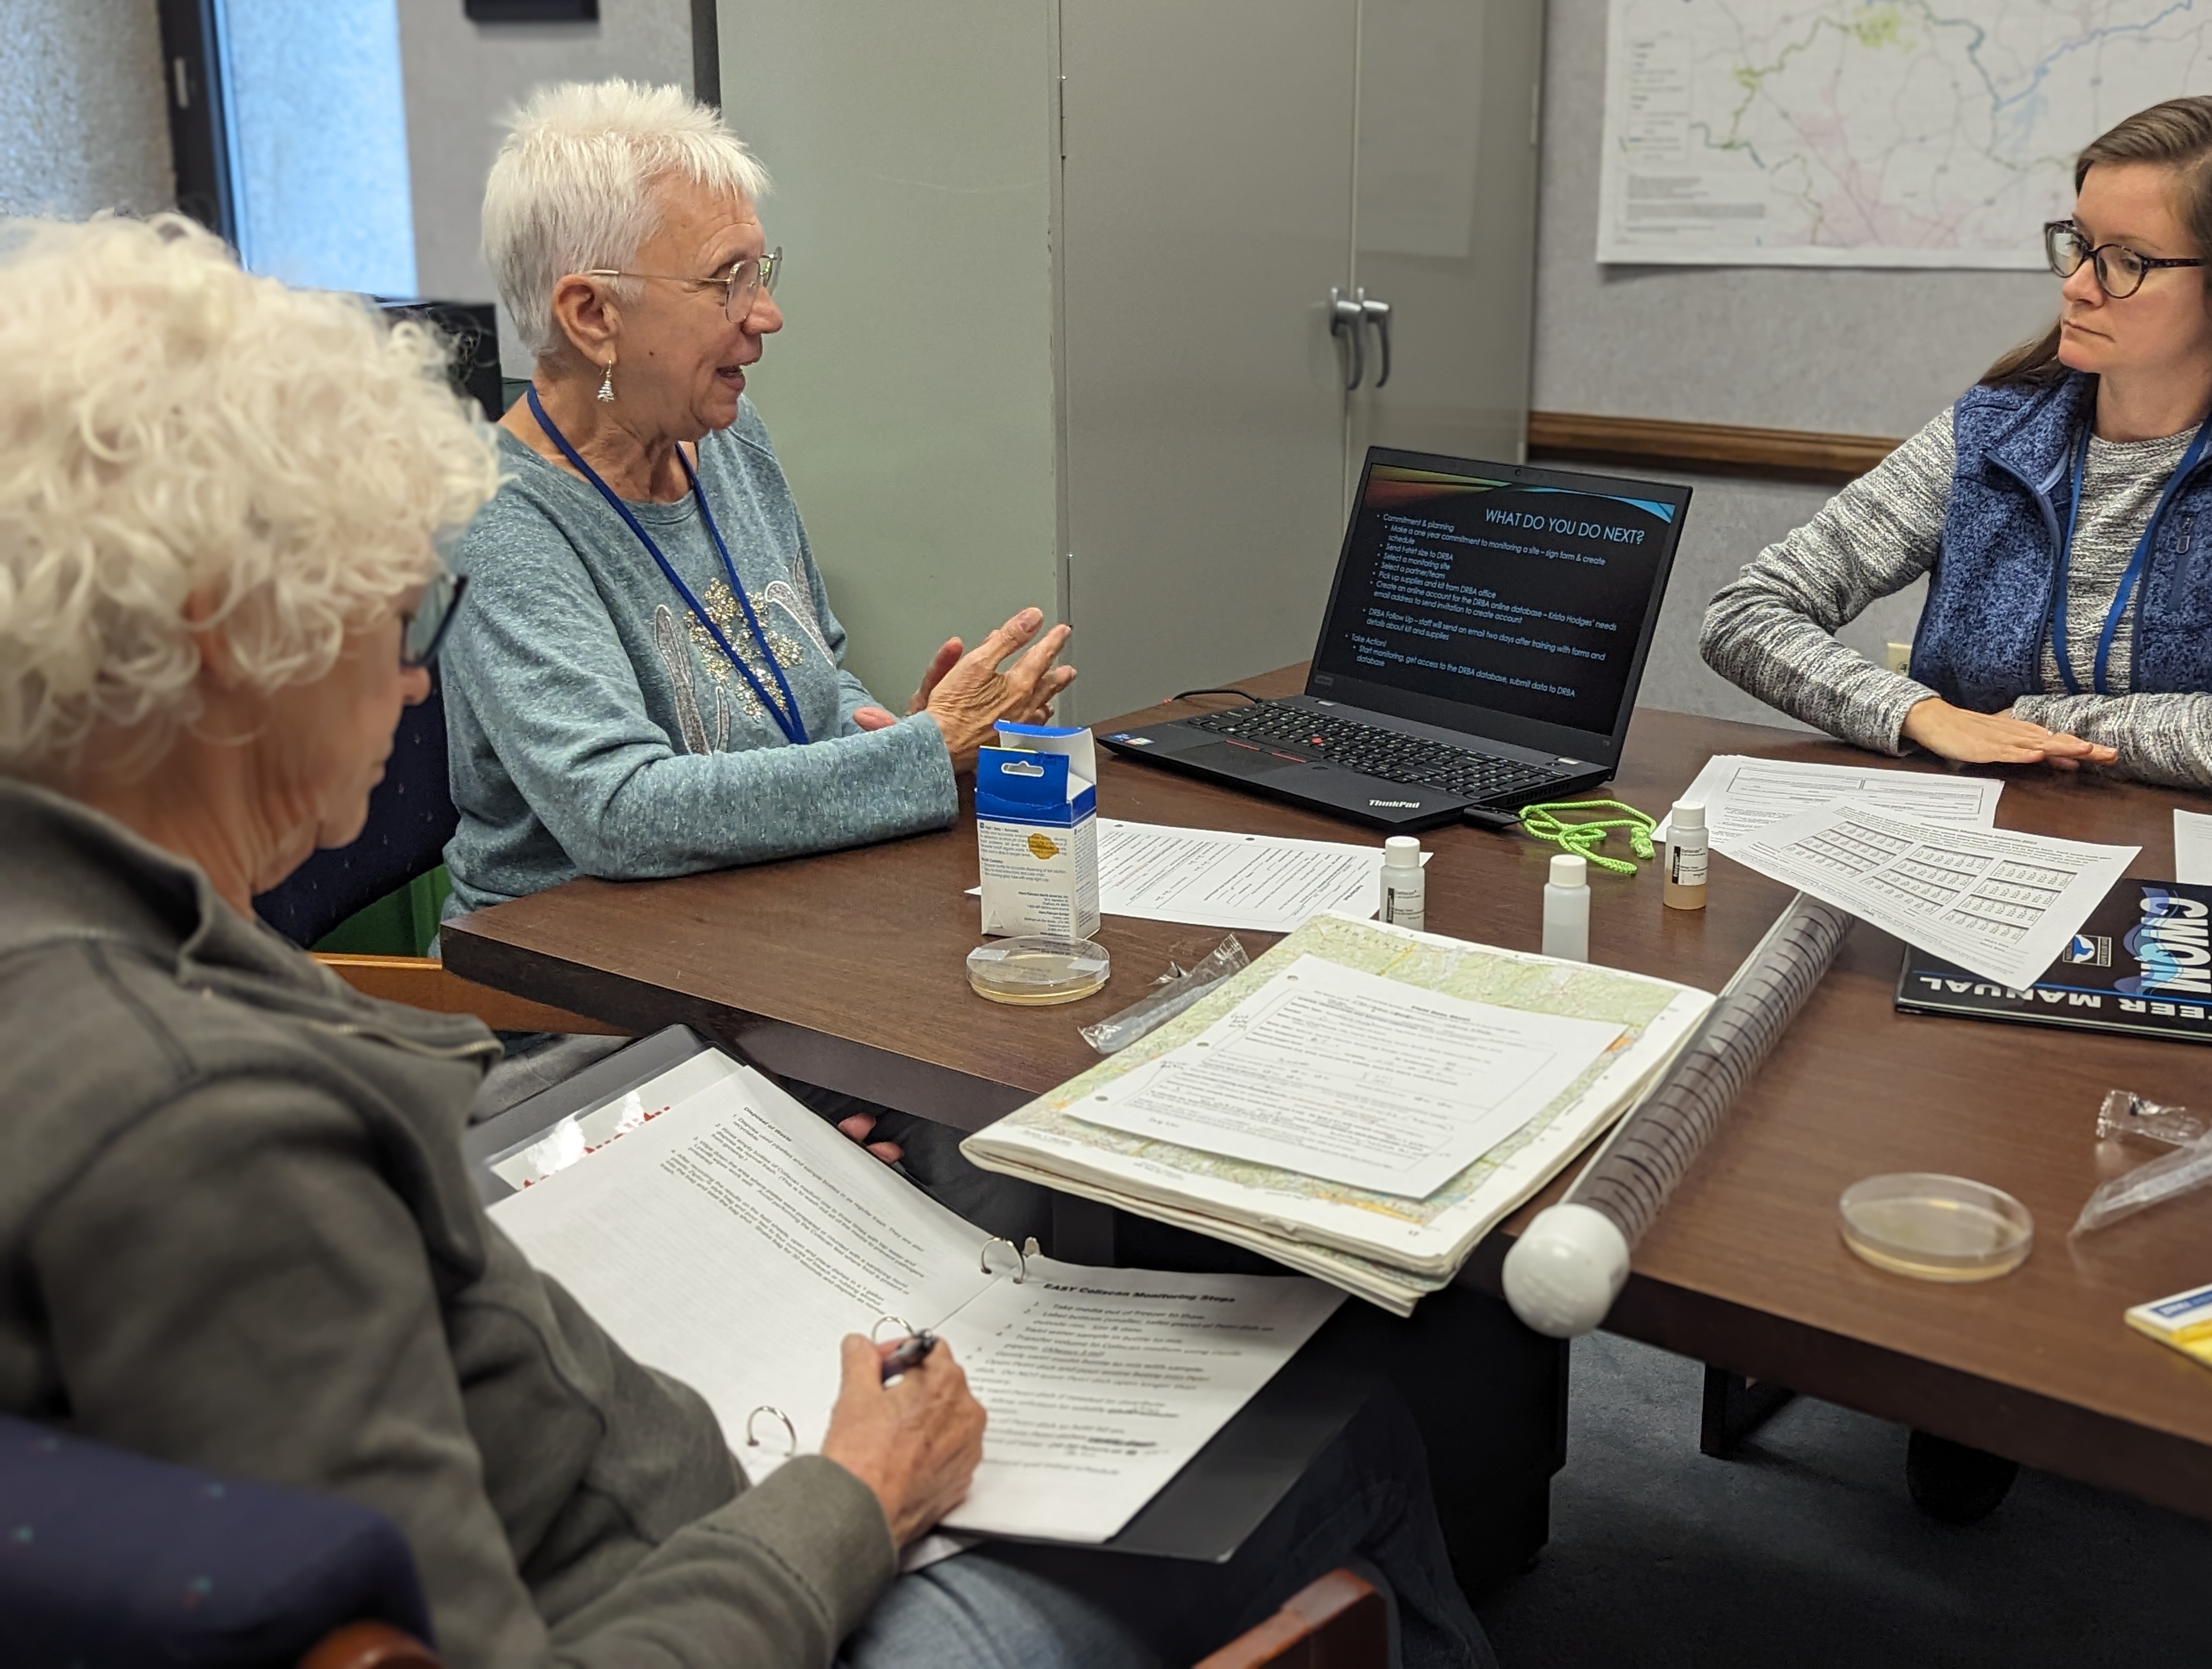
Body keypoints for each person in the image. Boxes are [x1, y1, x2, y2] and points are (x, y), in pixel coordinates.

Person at [0, 213, 1496, 1668]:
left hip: (650, 1444)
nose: (411, 692)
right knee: (1339, 1424)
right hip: (741, 1569)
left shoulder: (85, 948)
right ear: (221, 636)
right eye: (400, 620)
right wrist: (851, 1492)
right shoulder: (205, 1133)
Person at [442, 79, 1070, 1232]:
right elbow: (616, 809)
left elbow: (810, 672)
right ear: (591, 317)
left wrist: (882, 728)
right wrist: (918, 757)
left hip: (765, 965)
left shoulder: (720, 442)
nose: (764, 317)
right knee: (983, 1140)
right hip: (599, 1032)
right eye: (726, 281)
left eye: (760, 275)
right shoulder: (506, 526)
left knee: (1041, 1086)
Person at [1701, 96, 2212, 804]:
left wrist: (2020, 724)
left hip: (2169, 869)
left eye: (2127, 262)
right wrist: (1919, 713)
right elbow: (1748, 613)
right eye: (2079, 244)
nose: (2077, 287)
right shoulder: (1999, 426)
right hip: (1967, 836)